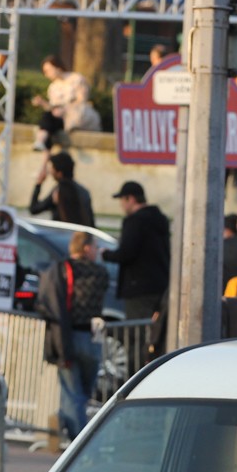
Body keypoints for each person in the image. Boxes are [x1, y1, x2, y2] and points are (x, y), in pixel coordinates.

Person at [36, 231, 108, 441]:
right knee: (83, 392)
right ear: (86, 248)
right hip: (93, 338)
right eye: (95, 247)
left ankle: (77, 439)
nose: (96, 251)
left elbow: (49, 304)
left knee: (72, 392)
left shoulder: (62, 271)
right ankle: (70, 428)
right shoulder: (101, 273)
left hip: (67, 335)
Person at [103, 181, 171, 321]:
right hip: (160, 286)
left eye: (122, 200)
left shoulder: (135, 221)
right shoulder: (160, 219)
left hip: (138, 289)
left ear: (131, 199)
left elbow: (126, 253)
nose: (121, 204)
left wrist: (106, 254)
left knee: (137, 334)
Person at [30, 56, 99, 151]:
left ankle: (41, 143)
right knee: (48, 119)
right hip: (59, 118)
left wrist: (65, 109)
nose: (47, 74)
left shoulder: (76, 79)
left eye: (48, 70)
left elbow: (81, 100)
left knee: (48, 122)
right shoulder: (53, 87)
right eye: (45, 72)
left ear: (57, 67)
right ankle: (41, 143)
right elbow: (52, 108)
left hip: (77, 117)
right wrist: (42, 103)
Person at [29, 151, 94, 228]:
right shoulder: (84, 191)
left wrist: (38, 184)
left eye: (52, 168)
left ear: (59, 173)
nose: (50, 171)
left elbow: (34, 209)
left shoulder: (59, 191)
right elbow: (91, 222)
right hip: (82, 236)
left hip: (63, 236)